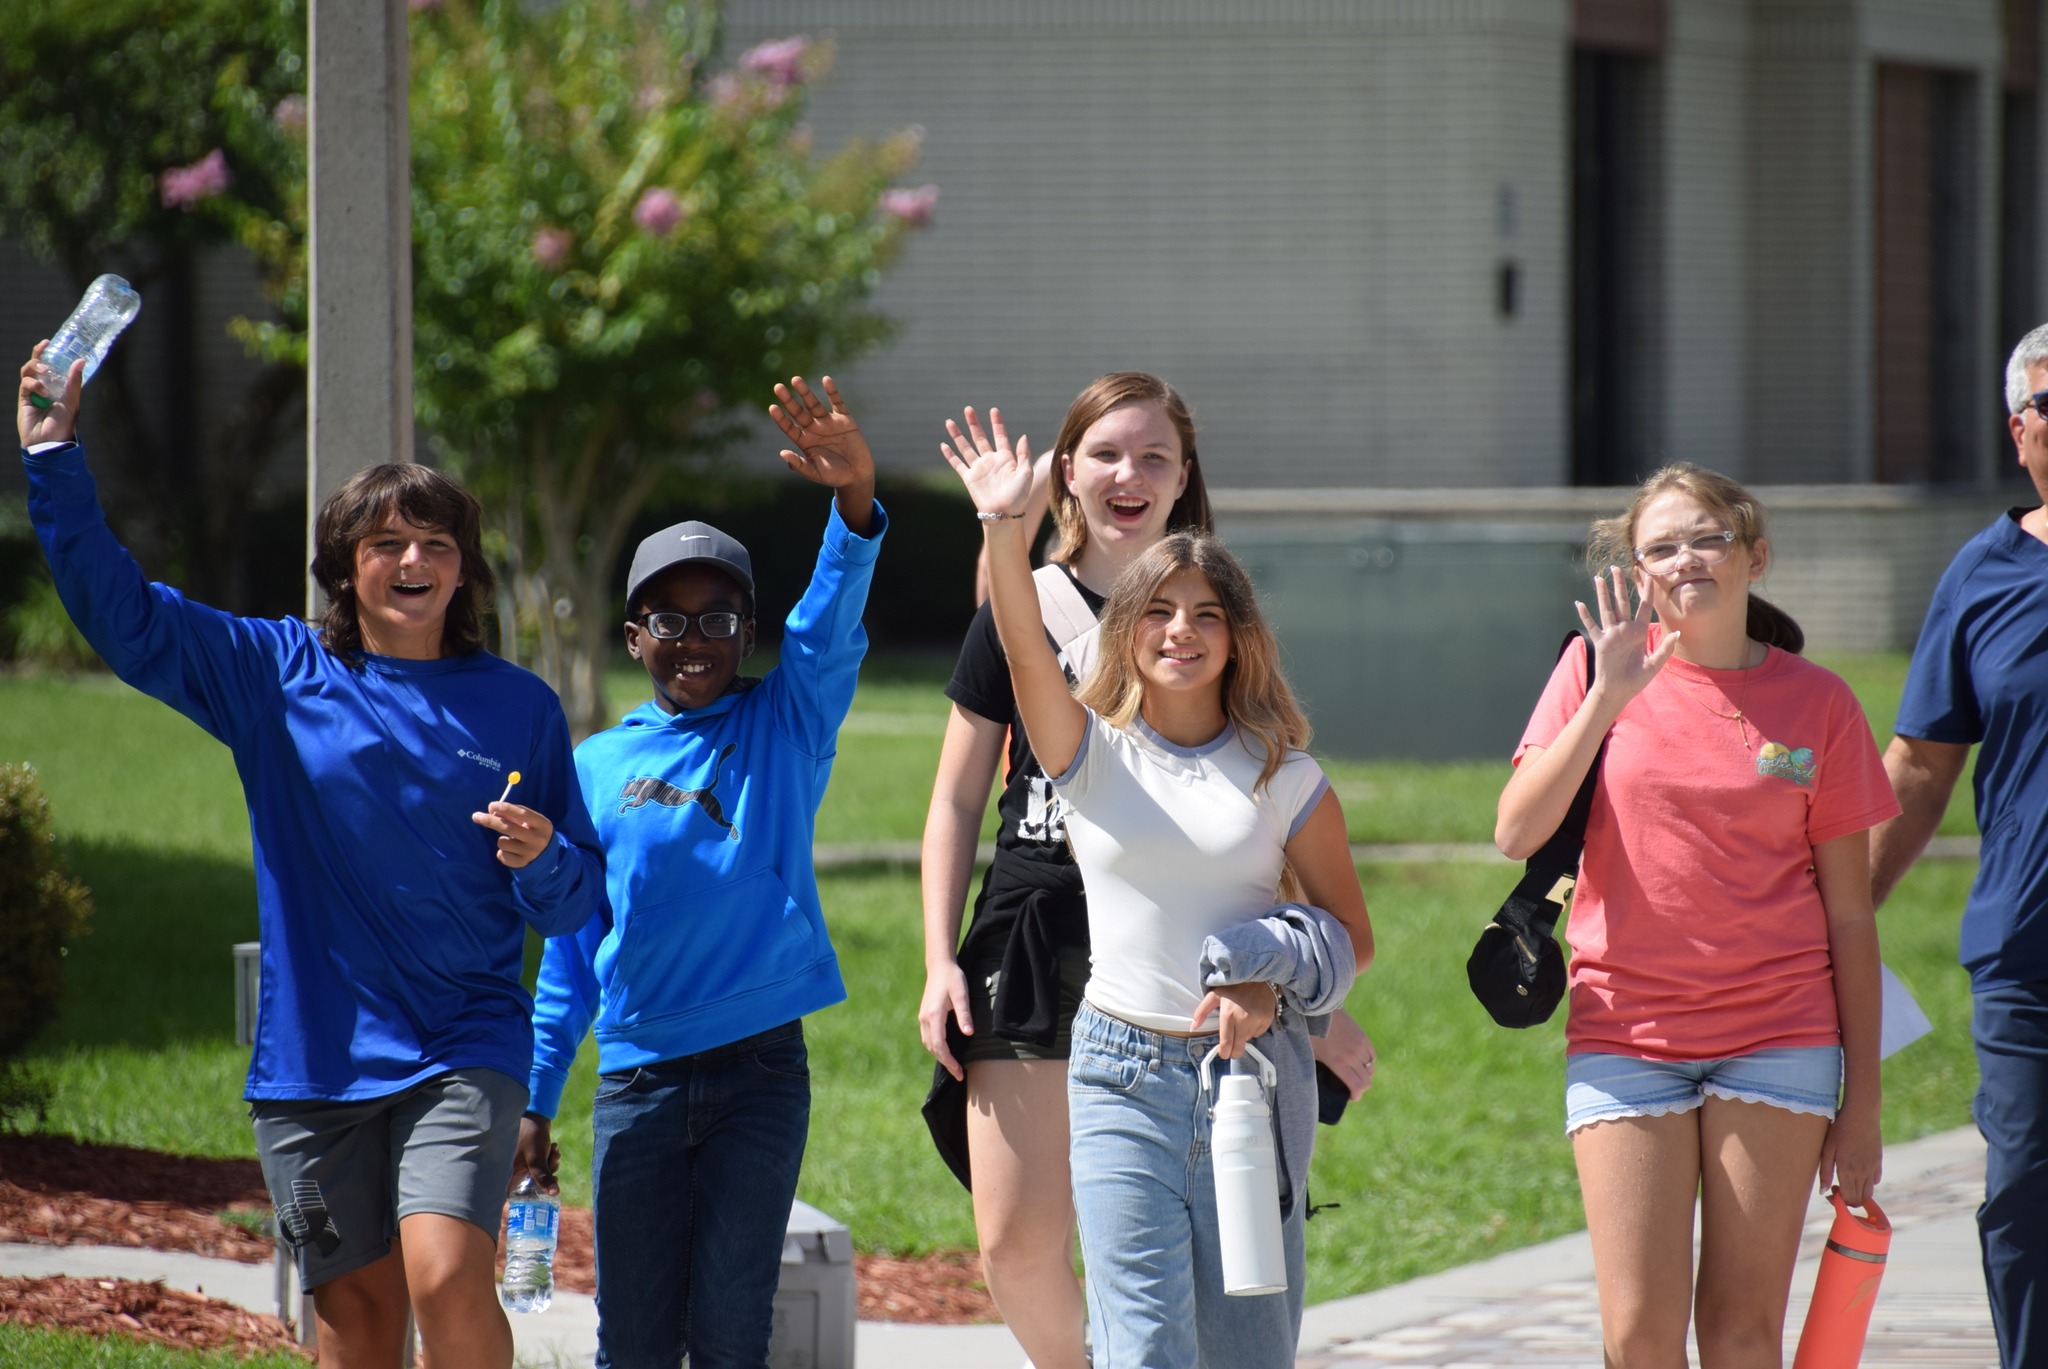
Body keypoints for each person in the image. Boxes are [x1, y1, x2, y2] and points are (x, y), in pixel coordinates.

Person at [17, 343, 605, 1369]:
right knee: (354, 1321)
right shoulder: (272, 673)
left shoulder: (521, 707)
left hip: (461, 1042)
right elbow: (127, 618)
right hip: (313, 1060)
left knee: (443, 1271)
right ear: (343, 565)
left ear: (464, 566)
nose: (410, 563)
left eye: (433, 543)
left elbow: (573, 906)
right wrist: (54, 454)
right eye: (383, 544)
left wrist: (543, 857)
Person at [918, 373, 1376, 1369]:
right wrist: (1004, 520)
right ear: (1067, 473)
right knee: (1114, 1316)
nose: (1181, 628)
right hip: (1097, 1027)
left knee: (1243, 1330)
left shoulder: (1278, 771)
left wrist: (1294, 986)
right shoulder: (1091, 744)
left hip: (1236, 1051)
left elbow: (1315, 907)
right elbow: (1009, 680)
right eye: (1158, 612)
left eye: (1204, 614)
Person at [514, 376, 883, 1369]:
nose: (693, 640)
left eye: (718, 618)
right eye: (666, 620)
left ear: (746, 634)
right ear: (632, 635)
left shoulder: (784, 724)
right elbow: (571, 954)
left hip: (760, 1070)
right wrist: (535, 1099)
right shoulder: (593, 766)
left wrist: (851, 505)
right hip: (637, 1078)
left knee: (729, 1336)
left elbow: (827, 627)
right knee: (630, 1343)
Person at [1495, 464, 1897, 1369]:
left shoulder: (1820, 702)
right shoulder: (1588, 674)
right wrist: (1607, 695)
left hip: (1780, 1034)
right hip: (1625, 1030)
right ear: (1638, 574)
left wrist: (1862, 1101)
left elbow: (1850, 917)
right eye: (1662, 546)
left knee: (1742, 1332)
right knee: (1638, 1336)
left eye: (1709, 537)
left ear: (1755, 557)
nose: (1687, 559)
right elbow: (1514, 828)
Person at [1870, 323, 2048, 1369]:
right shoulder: (1980, 574)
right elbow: (1919, 766)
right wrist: (1833, 916)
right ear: (2018, 430)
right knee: (2022, 1197)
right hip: (2027, 956)